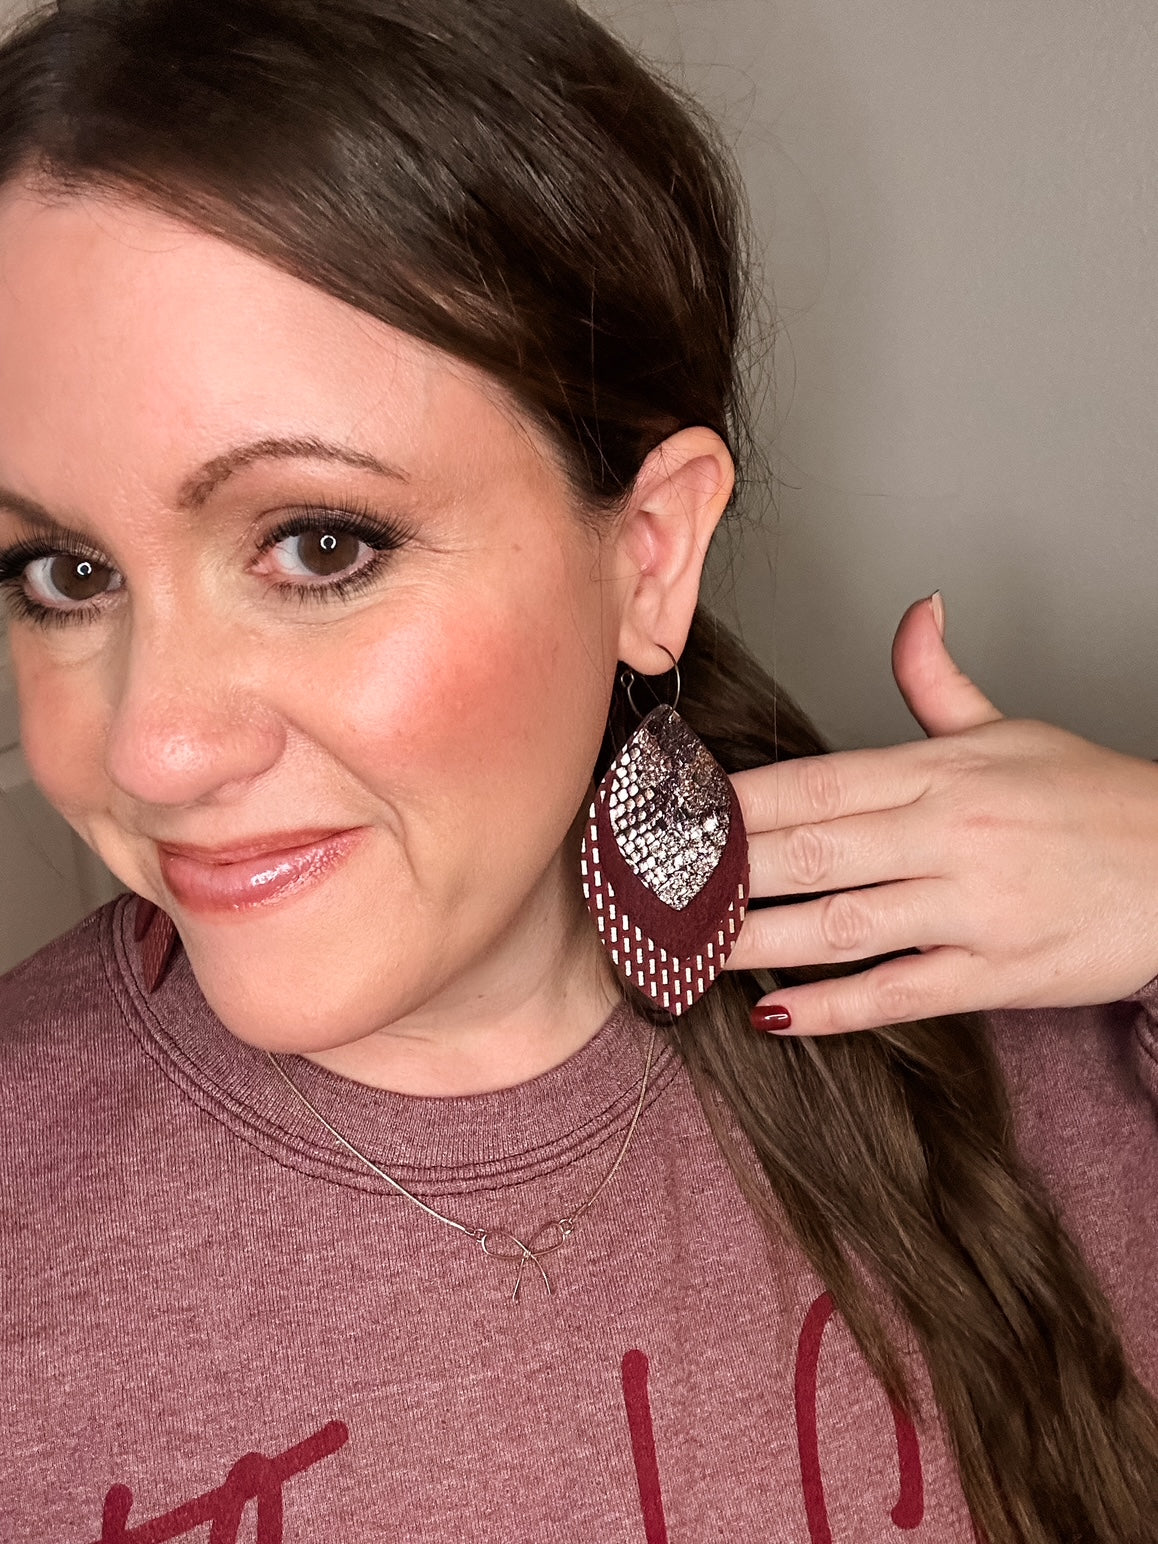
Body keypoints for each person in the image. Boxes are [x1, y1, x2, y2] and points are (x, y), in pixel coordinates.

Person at [0, 1, 1154, 1540]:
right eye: (64, 573)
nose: (152, 748)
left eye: (319, 545)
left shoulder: (1037, 1028)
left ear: (648, 553)